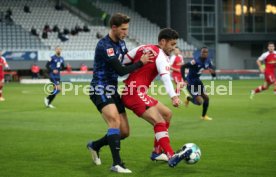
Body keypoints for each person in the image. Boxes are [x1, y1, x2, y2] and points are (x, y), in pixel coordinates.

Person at [86, 13, 152, 173]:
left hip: (112, 89)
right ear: (113, 27)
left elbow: (127, 62)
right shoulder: (105, 46)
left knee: (124, 132)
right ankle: (117, 164)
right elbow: (121, 70)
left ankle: (94, 145)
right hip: (99, 88)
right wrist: (140, 63)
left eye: (127, 29)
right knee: (114, 121)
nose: (126, 32)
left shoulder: (121, 44)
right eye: (123, 29)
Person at [121, 28, 192, 168]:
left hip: (135, 91)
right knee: (159, 121)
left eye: (175, 45)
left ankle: (157, 152)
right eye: (172, 44)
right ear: (163, 41)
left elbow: (123, 60)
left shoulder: (143, 47)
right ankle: (172, 155)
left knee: (167, 114)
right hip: (135, 93)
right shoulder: (161, 55)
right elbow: (165, 77)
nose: (173, 48)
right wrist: (174, 97)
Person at [180, 47, 216, 121]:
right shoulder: (195, 61)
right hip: (190, 83)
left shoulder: (208, 61)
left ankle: (203, 116)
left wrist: (213, 73)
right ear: (201, 53)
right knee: (199, 102)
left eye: (206, 52)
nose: (204, 54)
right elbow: (183, 67)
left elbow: (213, 74)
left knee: (206, 98)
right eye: (203, 52)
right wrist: (184, 79)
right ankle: (188, 98)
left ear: (207, 53)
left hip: (197, 81)